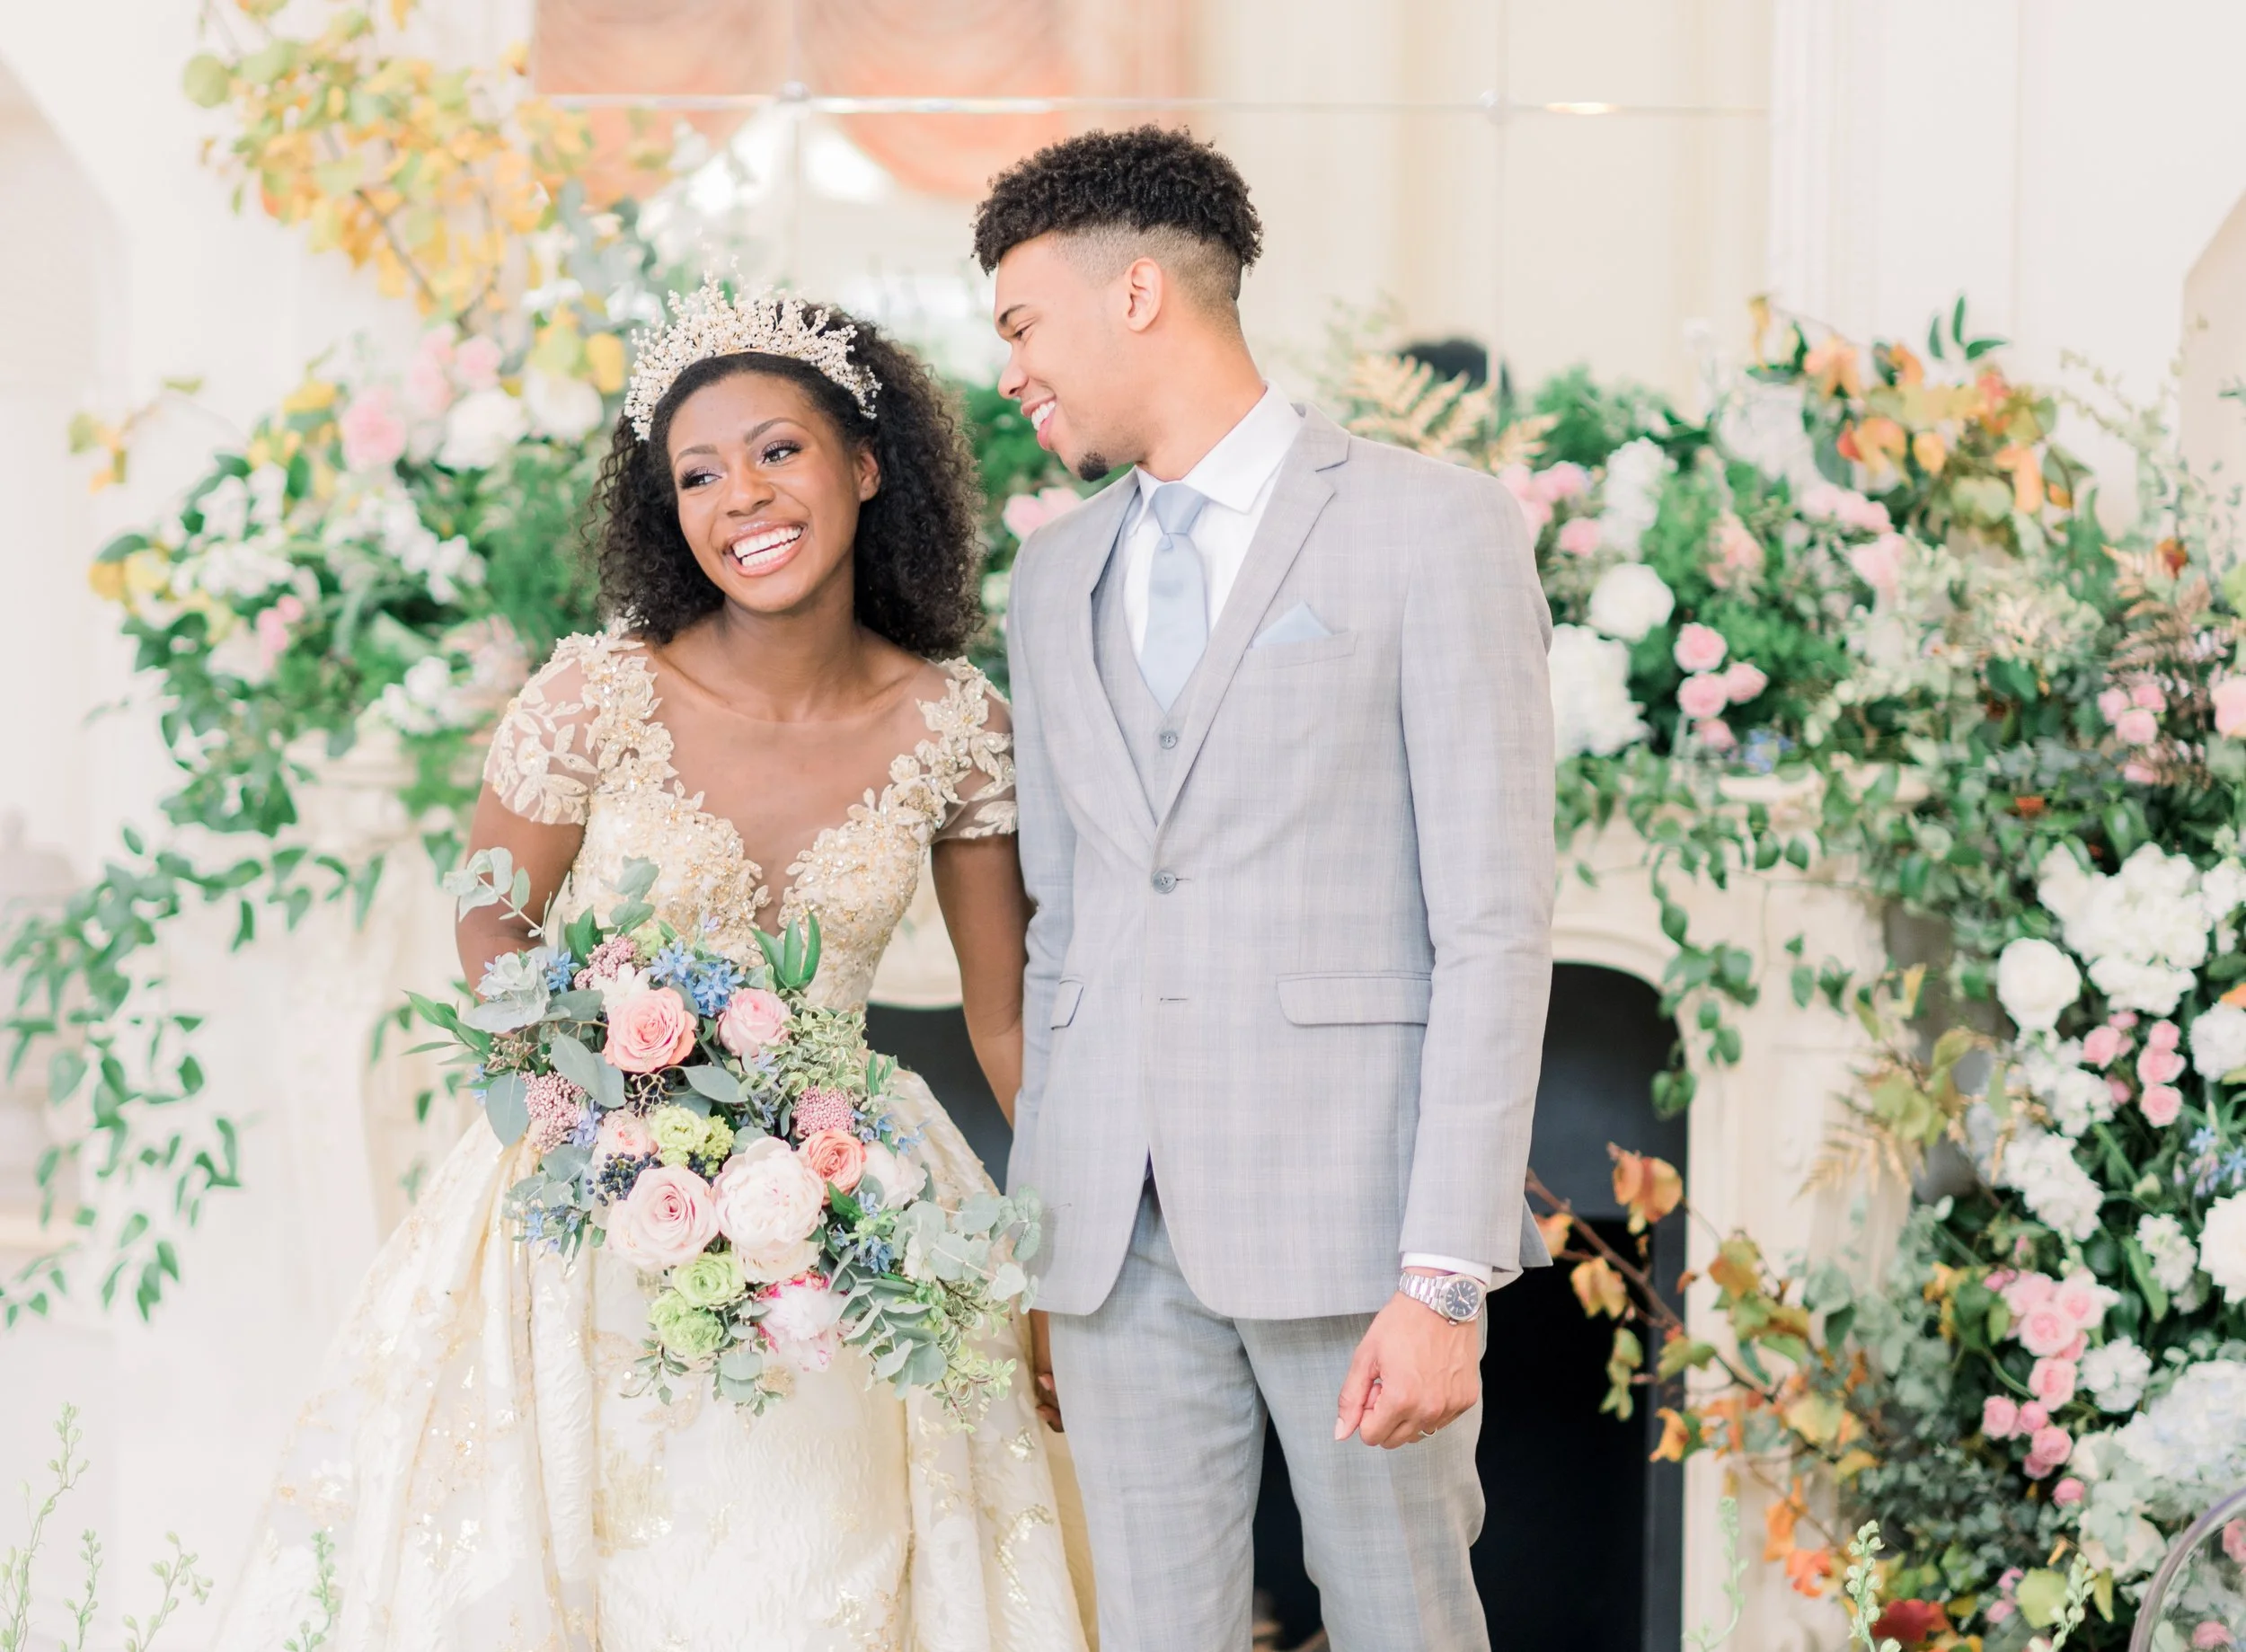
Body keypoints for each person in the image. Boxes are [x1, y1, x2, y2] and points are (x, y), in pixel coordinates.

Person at [217, 286, 1090, 1652]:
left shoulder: (960, 725)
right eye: (697, 471)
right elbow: (492, 918)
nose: (741, 493)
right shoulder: (593, 695)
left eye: (778, 451)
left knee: (821, 1569)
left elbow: (1009, 1018)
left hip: (851, 1206)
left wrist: (1063, 1261)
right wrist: (593, 1103)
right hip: (586, 1195)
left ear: (865, 465)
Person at [979, 126, 1557, 1652]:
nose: (1011, 370)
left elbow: (1495, 929)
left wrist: (1445, 1274)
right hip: (1113, 1239)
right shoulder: (1049, 580)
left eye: (1022, 322)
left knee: (1403, 1621)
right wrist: (1044, 1247)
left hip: (1356, 1225)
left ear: (1141, 293)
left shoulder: (1432, 528)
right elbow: (1064, 936)